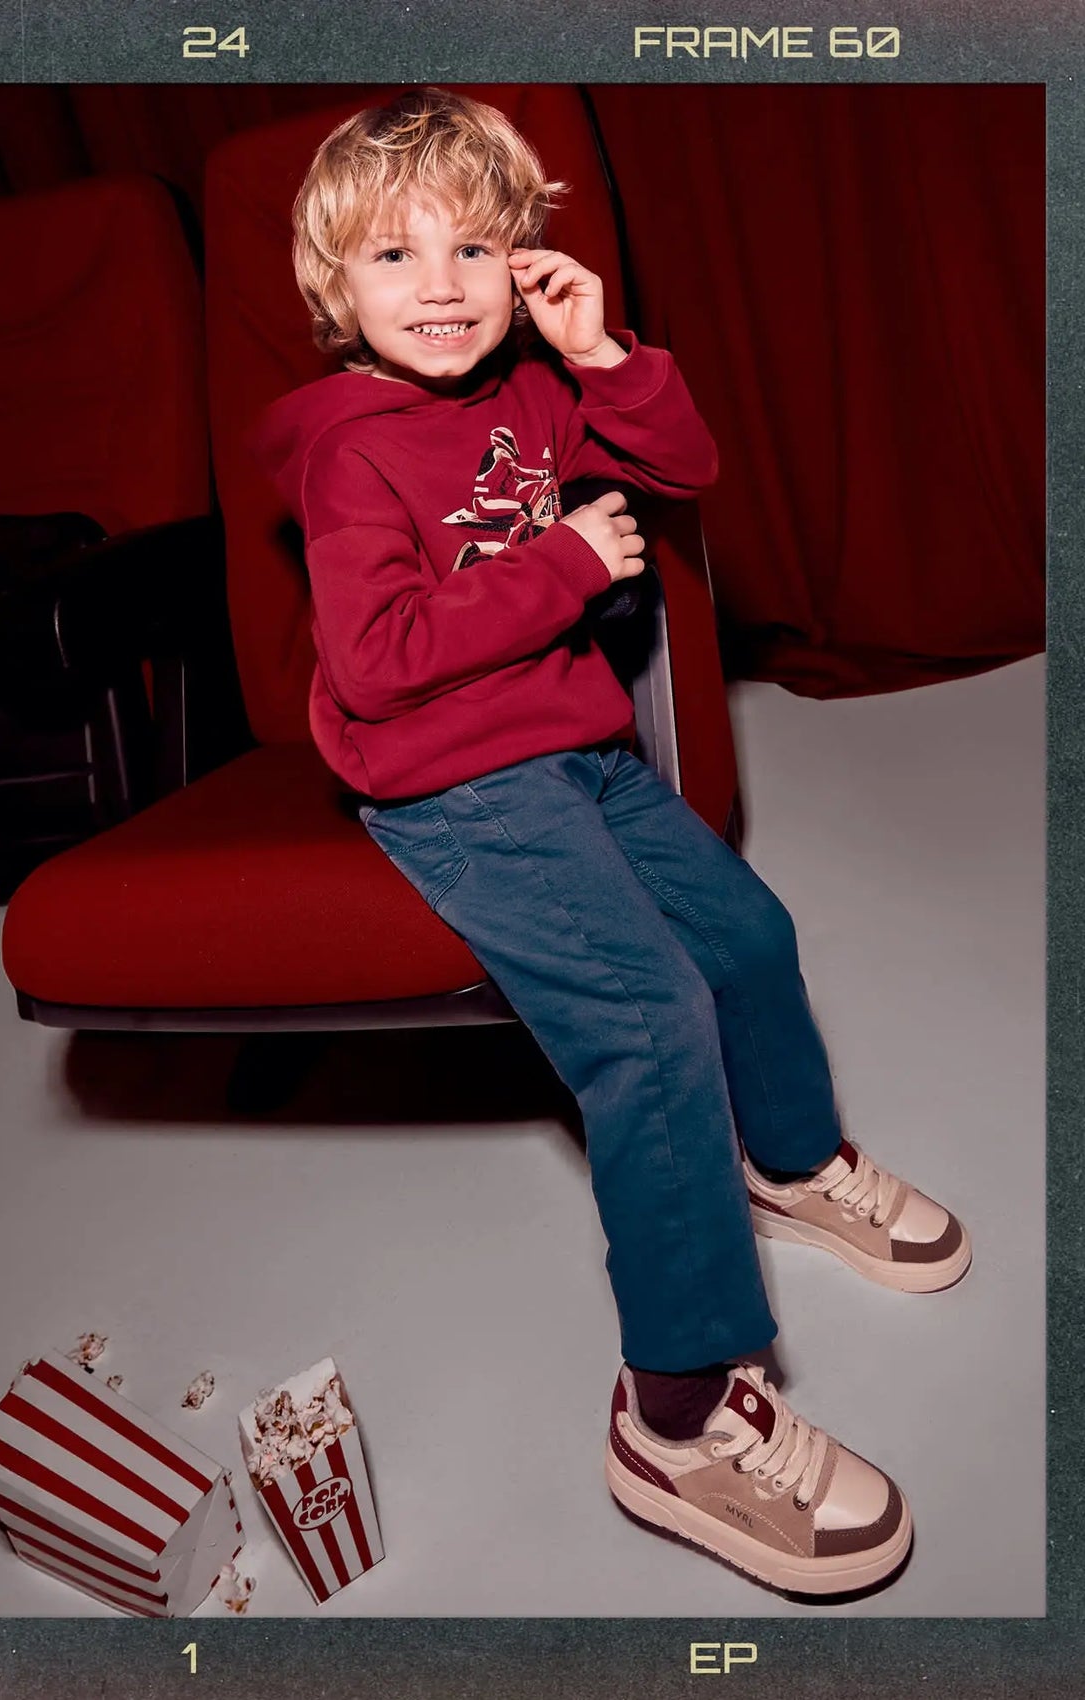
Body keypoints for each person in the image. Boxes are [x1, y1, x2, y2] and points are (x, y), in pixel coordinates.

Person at [253, 86, 971, 1598]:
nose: (438, 286)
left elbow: (687, 467)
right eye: (392, 258)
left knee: (748, 939)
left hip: (572, 748)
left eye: (472, 247)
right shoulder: (343, 451)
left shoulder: (528, 385)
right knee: (649, 1026)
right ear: (336, 292)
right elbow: (374, 661)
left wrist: (601, 356)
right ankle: (680, 1416)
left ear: (523, 260)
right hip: (448, 781)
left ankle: (789, 1161)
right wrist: (564, 563)